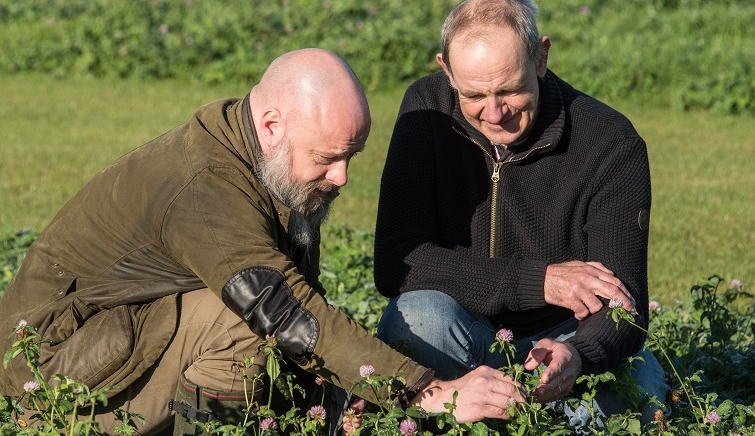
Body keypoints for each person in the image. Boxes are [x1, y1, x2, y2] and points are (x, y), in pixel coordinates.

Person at [0, 49, 526, 435]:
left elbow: (304, 306)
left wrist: (343, 394)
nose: (341, 177)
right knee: (246, 318)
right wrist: (424, 390)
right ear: (272, 123)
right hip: (51, 380)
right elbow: (283, 309)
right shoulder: (205, 188)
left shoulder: (270, 165)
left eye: (351, 158)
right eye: (327, 158)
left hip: (124, 342)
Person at [373, 0, 669, 427]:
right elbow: (397, 263)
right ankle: (495, 410)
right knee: (417, 317)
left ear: (541, 57)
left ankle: (486, 416)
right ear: (446, 72)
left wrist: (577, 355)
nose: (495, 112)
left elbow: (623, 304)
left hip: (560, 343)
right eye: (474, 94)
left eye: (510, 89)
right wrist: (538, 281)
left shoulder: (611, 143)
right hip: (459, 334)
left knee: (638, 386)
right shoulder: (426, 110)